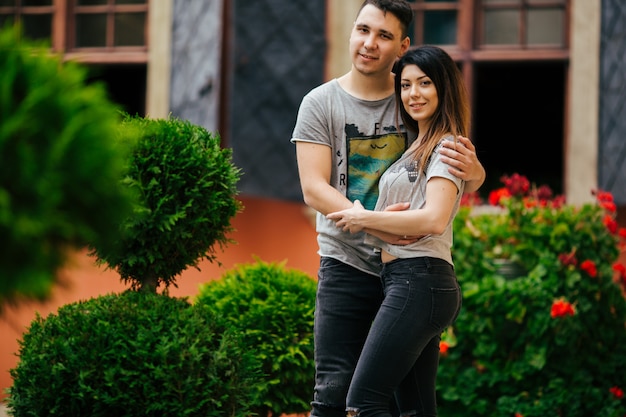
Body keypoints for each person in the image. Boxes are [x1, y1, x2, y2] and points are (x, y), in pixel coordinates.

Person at [291, 1, 485, 416]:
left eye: (384, 36)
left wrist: (478, 172)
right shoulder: (320, 103)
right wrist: (378, 229)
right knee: (333, 392)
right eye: (363, 30)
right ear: (350, 32)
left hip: (409, 270)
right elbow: (313, 189)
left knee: (396, 403)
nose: (369, 43)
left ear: (403, 45)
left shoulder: (412, 101)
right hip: (346, 263)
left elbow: (446, 164)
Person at [327, 44, 469, 417]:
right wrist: (384, 225)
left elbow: (433, 219)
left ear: (444, 88)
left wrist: (364, 218)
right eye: (405, 85)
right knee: (415, 410)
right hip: (406, 279)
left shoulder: (448, 147)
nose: (413, 94)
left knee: (363, 403)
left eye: (424, 83)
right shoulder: (416, 145)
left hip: (420, 280)